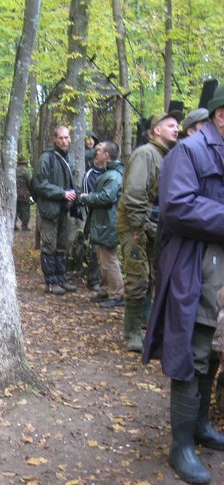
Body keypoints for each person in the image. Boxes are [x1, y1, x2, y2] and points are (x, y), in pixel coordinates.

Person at [142, 84, 224, 485]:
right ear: (221, 115)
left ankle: (201, 426)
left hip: (219, 266)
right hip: (194, 266)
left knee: (214, 351)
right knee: (192, 351)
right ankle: (181, 445)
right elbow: (176, 207)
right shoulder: (188, 152)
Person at [115, 111, 179, 352]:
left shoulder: (165, 156)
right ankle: (131, 333)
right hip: (135, 226)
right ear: (155, 131)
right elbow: (134, 194)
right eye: (170, 125)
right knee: (139, 279)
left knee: (151, 277)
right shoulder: (145, 154)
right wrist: (140, 228)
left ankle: (144, 325)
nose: (176, 128)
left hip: (151, 226)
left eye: (177, 125)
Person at [32, 124, 79, 295]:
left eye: (67, 137)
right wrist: (62, 193)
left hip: (64, 210)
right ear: (54, 139)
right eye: (61, 138)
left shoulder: (69, 158)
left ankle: (61, 278)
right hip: (50, 210)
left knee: (61, 245)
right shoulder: (47, 158)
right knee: (49, 245)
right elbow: (39, 184)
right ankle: (51, 282)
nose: (64, 141)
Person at [80, 141, 124, 308]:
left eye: (98, 150)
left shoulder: (113, 176)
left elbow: (107, 197)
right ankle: (106, 290)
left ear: (106, 155)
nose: (95, 152)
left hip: (109, 223)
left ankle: (117, 294)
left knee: (109, 260)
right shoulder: (109, 173)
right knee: (102, 258)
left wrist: (87, 197)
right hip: (104, 222)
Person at [81, 145, 104, 293]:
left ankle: (104, 280)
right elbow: (86, 198)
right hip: (95, 218)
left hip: (109, 218)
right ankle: (93, 280)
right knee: (96, 250)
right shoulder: (90, 174)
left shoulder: (112, 172)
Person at [15, 156, 32, 232]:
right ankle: (24, 226)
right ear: (25, 163)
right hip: (24, 194)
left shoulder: (14, 171)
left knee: (15, 210)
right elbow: (30, 183)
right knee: (25, 210)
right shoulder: (26, 172)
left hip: (14, 193)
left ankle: (13, 225)